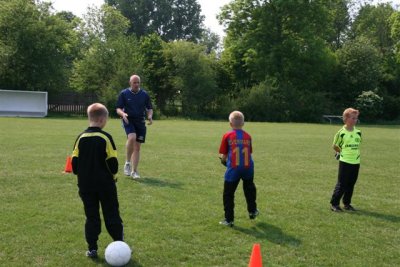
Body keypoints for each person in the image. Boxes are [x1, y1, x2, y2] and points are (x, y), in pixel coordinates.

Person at [71, 103, 124, 258]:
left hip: (86, 186)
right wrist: (112, 176)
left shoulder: (80, 138)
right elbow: (113, 165)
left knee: (91, 216)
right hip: (105, 185)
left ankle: (92, 248)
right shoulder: (106, 138)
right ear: (102, 119)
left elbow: (74, 165)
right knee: (112, 214)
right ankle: (119, 243)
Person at [218, 111, 258, 227]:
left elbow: (224, 156)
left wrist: (223, 160)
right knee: (249, 189)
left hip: (234, 169)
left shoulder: (227, 136)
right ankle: (252, 210)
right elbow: (248, 152)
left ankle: (229, 219)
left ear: (230, 124)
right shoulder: (248, 136)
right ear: (243, 123)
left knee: (228, 194)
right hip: (248, 167)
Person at [116, 74, 153, 180]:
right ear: (130, 83)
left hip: (140, 121)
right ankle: (127, 163)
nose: (136, 84)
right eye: (134, 82)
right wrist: (123, 114)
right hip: (128, 119)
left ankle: (134, 171)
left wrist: (150, 116)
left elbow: (149, 108)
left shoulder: (144, 94)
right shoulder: (124, 93)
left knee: (137, 147)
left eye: (138, 82)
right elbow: (118, 108)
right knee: (131, 137)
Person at [330, 108, 362, 212]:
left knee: (351, 183)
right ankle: (334, 204)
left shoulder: (358, 132)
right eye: (353, 118)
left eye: (356, 118)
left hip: (356, 161)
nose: (355, 120)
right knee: (342, 183)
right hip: (345, 161)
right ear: (346, 118)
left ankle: (347, 204)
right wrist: (340, 153)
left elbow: (357, 145)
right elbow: (335, 146)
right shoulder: (341, 133)